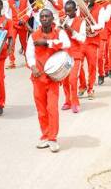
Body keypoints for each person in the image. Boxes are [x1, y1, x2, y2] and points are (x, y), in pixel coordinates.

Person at [25, 9, 70, 153]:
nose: (44, 18)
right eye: (42, 16)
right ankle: (45, 135)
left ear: (52, 19)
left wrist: (47, 43)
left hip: (52, 79)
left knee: (52, 109)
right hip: (38, 77)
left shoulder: (59, 32)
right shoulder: (33, 35)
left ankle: (53, 138)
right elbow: (29, 54)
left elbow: (67, 44)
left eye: (47, 16)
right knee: (41, 110)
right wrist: (32, 67)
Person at [61, 0, 86, 113]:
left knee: (72, 79)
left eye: (70, 11)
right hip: (64, 54)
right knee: (65, 80)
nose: (67, 13)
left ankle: (75, 103)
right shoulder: (62, 20)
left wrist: (70, 30)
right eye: (66, 11)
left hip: (76, 54)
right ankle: (67, 101)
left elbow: (82, 38)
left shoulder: (81, 21)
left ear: (75, 10)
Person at [6, 0, 32, 68]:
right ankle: (11, 62)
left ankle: (28, 60)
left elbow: (30, 10)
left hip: (23, 24)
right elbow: (7, 13)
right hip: (13, 25)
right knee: (11, 42)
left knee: (24, 43)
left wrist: (24, 19)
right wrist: (10, 21)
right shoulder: (9, 1)